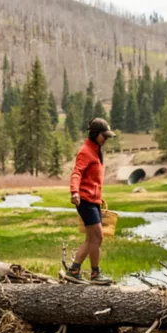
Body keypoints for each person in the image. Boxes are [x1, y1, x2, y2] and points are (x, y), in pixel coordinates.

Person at [67, 117, 115, 285]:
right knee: (97, 237)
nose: (106, 139)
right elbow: (77, 173)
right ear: (95, 134)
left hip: (92, 200)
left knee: (91, 239)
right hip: (85, 200)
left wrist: (98, 198)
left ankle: (74, 271)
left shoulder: (96, 150)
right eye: (104, 136)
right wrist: (74, 192)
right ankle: (94, 274)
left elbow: (92, 179)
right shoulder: (85, 151)